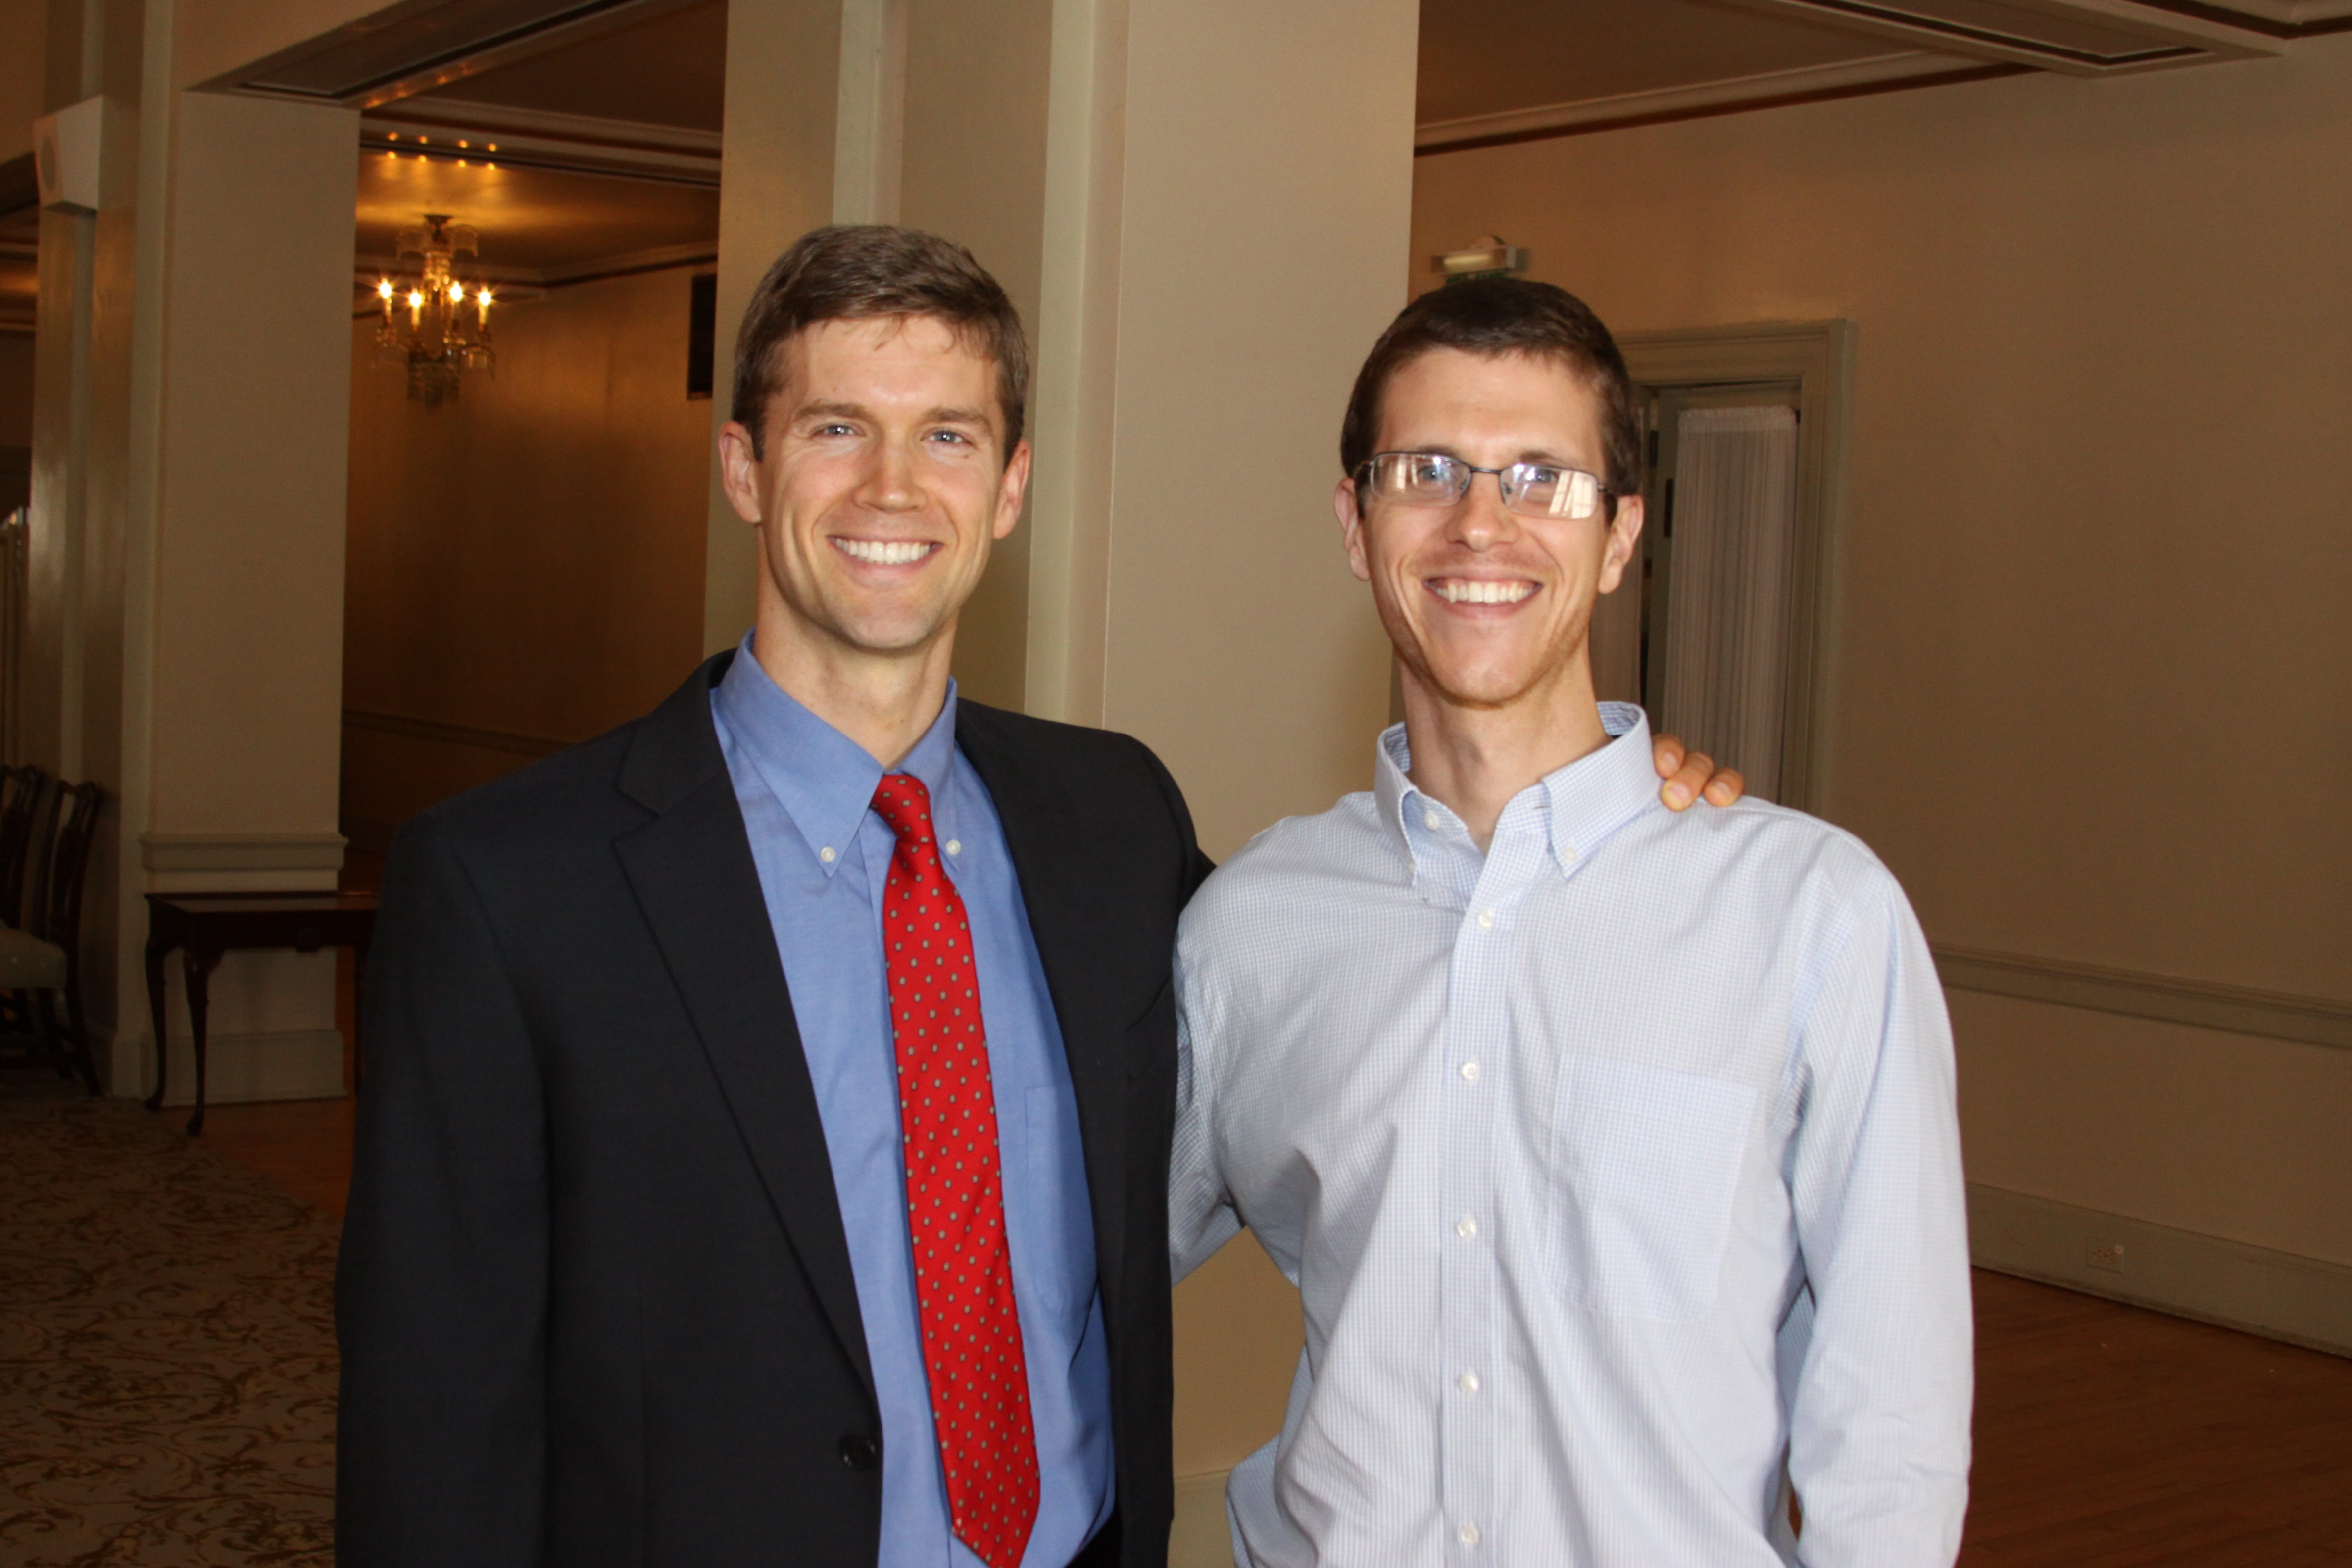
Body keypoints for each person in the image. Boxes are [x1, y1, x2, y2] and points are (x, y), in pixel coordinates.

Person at [335, 227, 1740, 1568]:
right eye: (836, 429)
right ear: (744, 469)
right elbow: (436, 1417)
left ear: (1008, 487)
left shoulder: (1112, 824)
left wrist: (1604, 795)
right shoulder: (514, 885)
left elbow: (1367, 1003)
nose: (894, 490)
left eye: (947, 435)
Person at [1170, 278, 1971, 1568]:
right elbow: (1061, 1285)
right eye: (1425, 470)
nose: (1480, 524)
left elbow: (1893, 1423)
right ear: (1356, 524)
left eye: (1542, 478)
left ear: (1618, 539)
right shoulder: (1249, 933)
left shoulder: (1812, 919)